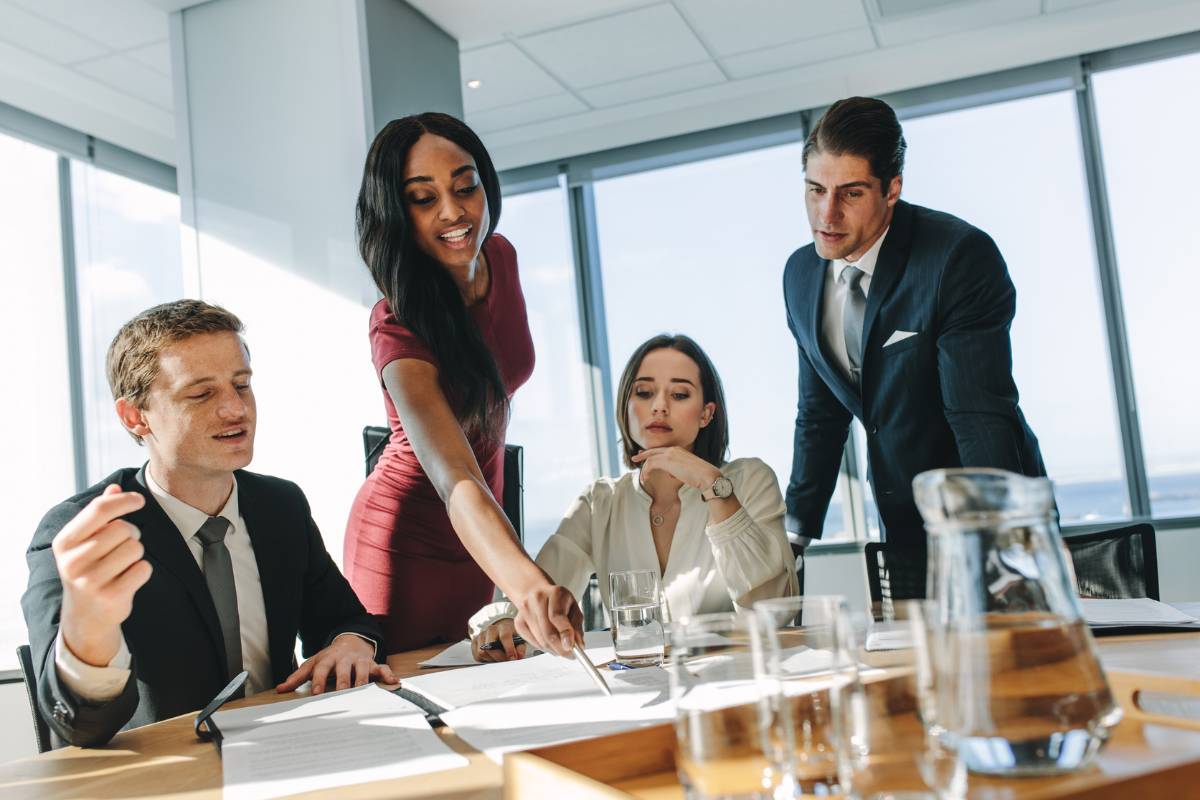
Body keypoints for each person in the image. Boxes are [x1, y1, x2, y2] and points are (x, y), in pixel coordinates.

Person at [23, 300, 395, 748]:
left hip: (291, 751)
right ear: (135, 416)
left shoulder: (280, 505)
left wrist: (352, 643)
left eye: (241, 385)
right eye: (201, 394)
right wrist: (90, 630)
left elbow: (344, 618)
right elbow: (78, 726)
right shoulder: (83, 532)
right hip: (164, 776)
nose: (234, 409)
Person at [345, 112, 581, 657]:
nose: (454, 212)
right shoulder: (396, 323)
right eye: (423, 199)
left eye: (465, 186)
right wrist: (528, 586)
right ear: (396, 214)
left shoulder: (501, 257)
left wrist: (514, 574)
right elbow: (454, 477)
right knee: (410, 701)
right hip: (407, 544)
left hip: (479, 536)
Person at [783, 96, 1046, 555]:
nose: (827, 215)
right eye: (815, 190)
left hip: (985, 513)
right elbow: (820, 414)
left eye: (851, 193)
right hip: (900, 521)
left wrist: (1008, 539)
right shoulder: (800, 275)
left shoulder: (956, 257)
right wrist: (794, 535)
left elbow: (978, 413)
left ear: (891, 189)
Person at [469, 334, 798, 661]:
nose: (659, 406)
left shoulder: (749, 480)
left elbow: (776, 613)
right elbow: (538, 600)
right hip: (639, 690)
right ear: (626, 408)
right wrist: (503, 622)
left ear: (706, 414)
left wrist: (712, 485)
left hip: (738, 686)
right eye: (644, 392)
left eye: (680, 394)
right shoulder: (600, 502)